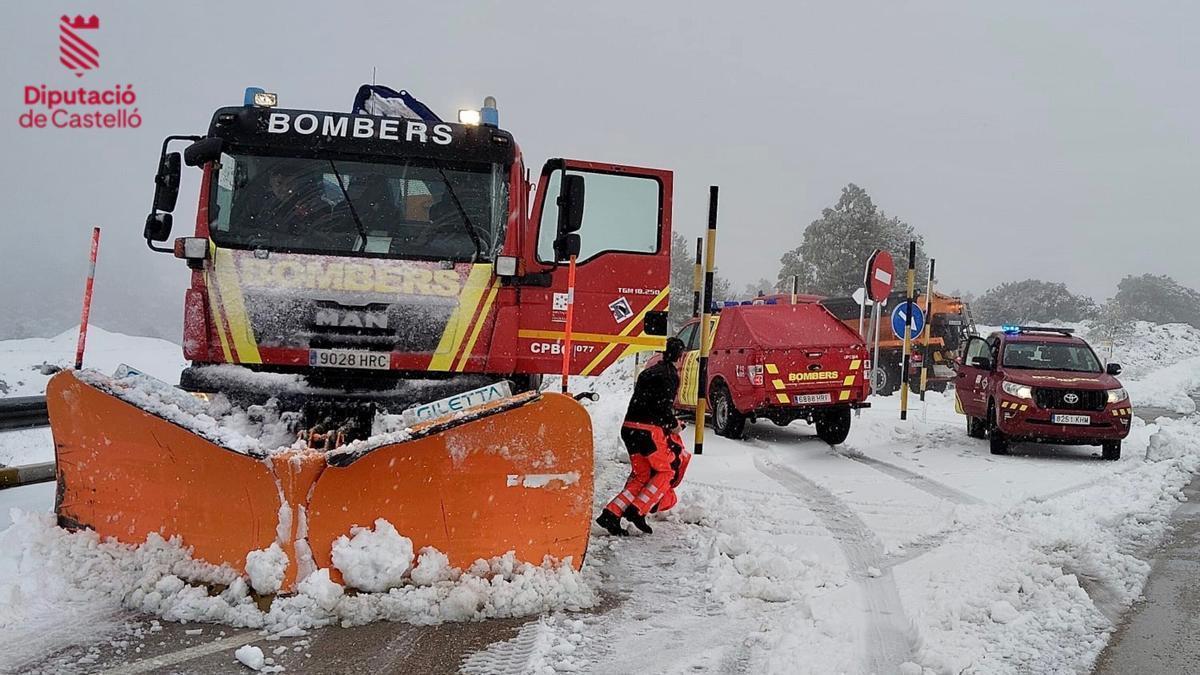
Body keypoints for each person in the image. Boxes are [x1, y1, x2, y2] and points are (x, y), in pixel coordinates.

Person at [596, 337, 689, 536]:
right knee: (666, 471)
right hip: (648, 431)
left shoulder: (648, 372)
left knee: (642, 474)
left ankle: (611, 514)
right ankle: (638, 510)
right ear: (680, 357)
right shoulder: (670, 375)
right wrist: (674, 426)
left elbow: (646, 401)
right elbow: (661, 406)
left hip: (629, 428)